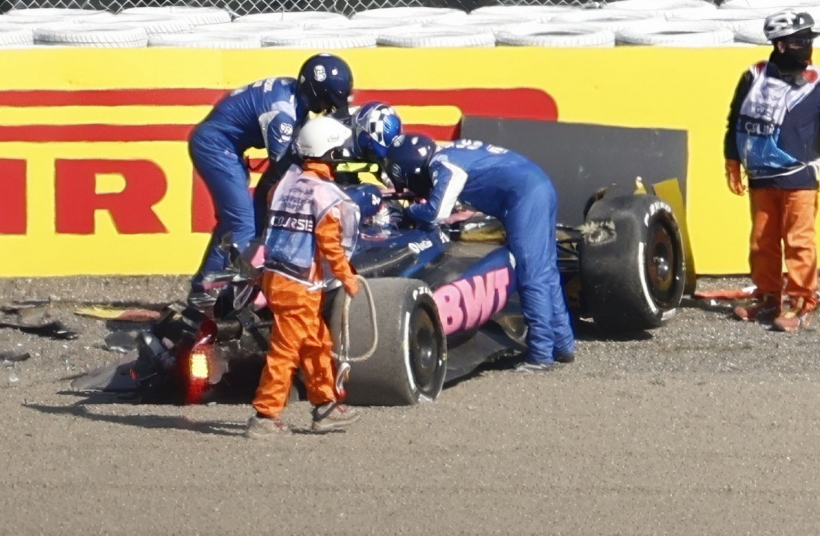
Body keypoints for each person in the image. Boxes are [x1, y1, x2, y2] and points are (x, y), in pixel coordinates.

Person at [385, 134, 576, 370]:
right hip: (536, 185)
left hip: (524, 196)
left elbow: (437, 211)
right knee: (546, 270)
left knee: (531, 272)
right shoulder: (449, 152)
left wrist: (409, 212)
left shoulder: (443, 164)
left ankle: (541, 354)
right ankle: (563, 344)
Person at [725, 10, 820, 332]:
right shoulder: (754, 76)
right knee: (762, 241)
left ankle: (802, 302)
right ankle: (768, 299)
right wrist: (732, 161)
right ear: (780, 45)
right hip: (761, 176)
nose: (806, 47)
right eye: (799, 42)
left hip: (801, 177)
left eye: (808, 40)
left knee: (799, 241)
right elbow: (735, 121)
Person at [188, 53, 353, 293]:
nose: (327, 110)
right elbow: (288, 168)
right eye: (327, 103)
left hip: (226, 144)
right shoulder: (281, 114)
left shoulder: (293, 94)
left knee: (248, 219)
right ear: (316, 94)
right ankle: (208, 291)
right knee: (241, 223)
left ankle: (218, 285)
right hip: (215, 146)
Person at [247, 116, 362, 437]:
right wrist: (347, 276)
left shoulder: (284, 185)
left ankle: (325, 405)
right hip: (298, 285)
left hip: (277, 277)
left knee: (316, 342)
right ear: (331, 153)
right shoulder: (325, 195)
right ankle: (265, 415)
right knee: (285, 352)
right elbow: (330, 244)